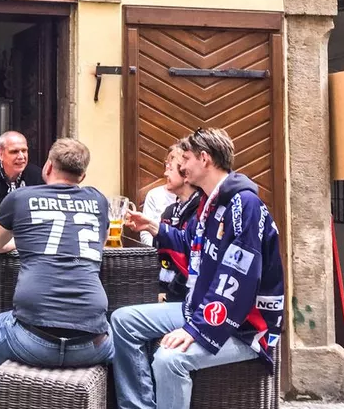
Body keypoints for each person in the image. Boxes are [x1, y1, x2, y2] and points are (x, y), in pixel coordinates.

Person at [111, 128, 284, 409]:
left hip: (243, 327)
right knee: (123, 321)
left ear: (205, 159)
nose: (181, 165)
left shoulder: (243, 205)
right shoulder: (209, 202)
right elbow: (190, 243)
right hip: (199, 307)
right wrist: (153, 227)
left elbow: (238, 279)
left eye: (187, 158)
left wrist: (194, 330)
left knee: (169, 359)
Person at [0, 139, 114, 409]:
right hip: (91, 343)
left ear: (48, 167)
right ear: (82, 175)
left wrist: (21, 242)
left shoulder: (21, 197)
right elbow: (100, 244)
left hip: (31, 337)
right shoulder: (98, 200)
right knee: (122, 344)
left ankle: (8, 400)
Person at [156, 144, 201, 302]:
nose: (165, 172)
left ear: (185, 174)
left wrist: (169, 295)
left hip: (186, 299)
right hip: (165, 293)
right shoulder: (169, 212)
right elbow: (159, 257)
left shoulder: (200, 211)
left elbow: (193, 261)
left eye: (170, 167)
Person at [0, 131, 44, 203]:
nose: (21, 157)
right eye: (14, 152)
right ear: (1, 154)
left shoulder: (37, 174)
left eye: (24, 151)